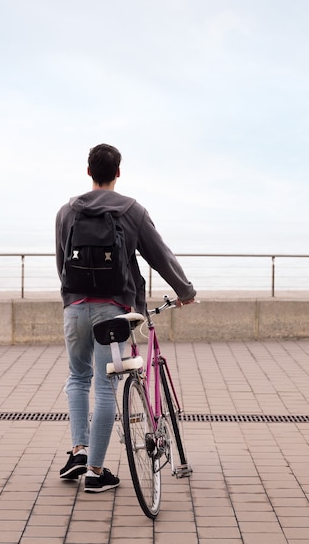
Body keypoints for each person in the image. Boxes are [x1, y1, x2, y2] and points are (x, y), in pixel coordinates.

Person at [55, 143, 196, 493]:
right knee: (106, 386)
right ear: (118, 172)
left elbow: (61, 262)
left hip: (74, 308)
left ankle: (78, 451)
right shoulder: (133, 211)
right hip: (113, 311)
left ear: (89, 172)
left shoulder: (66, 212)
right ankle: (96, 471)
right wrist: (185, 291)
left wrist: (72, 299)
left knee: (77, 378)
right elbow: (160, 256)